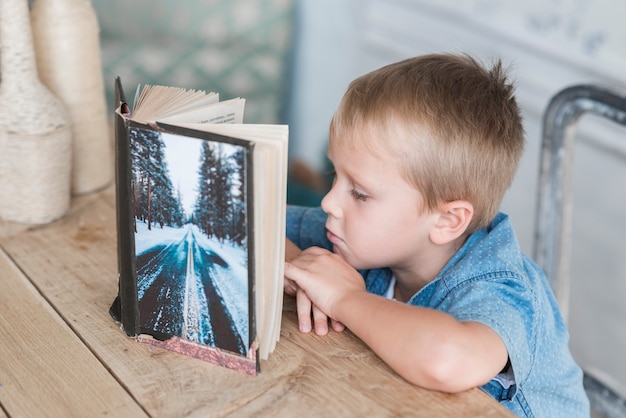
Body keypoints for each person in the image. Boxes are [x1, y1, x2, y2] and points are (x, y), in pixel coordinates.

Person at [283, 53, 589, 417]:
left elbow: (448, 359)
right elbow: (259, 221)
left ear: (446, 221)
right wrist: (306, 269)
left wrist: (344, 297)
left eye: (360, 193)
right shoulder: (363, 236)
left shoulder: (498, 286)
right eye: (335, 176)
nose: (329, 201)